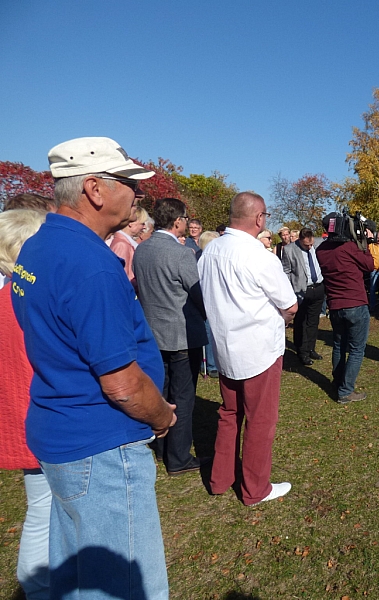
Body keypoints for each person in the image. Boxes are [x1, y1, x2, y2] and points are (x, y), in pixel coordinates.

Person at [11, 136, 175, 599]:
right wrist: (162, 416)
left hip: (61, 433)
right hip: (100, 446)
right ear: (95, 189)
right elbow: (122, 384)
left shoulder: (39, 246)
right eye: (129, 183)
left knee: (77, 576)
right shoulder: (91, 264)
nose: (138, 194)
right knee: (125, 587)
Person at [198, 192, 297, 506]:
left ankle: (220, 479)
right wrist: (283, 318)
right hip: (258, 351)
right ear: (259, 218)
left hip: (226, 347)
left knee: (229, 414)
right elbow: (290, 304)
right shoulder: (259, 256)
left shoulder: (210, 250)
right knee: (260, 420)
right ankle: (255, 489)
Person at [134, 198, 208, 476]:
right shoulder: (180, 253)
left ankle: (161, 446)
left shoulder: (142, 249)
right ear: (178, 221)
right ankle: (178, 458)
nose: (187, 223)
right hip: (181, 335)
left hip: (153, 334)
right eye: (186, 219)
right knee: (184, 397)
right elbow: (198, 293)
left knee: (161, 393)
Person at [0, 208, 50, 600]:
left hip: (23, 416)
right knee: (45, 510)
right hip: (39, 417)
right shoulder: (24, 297)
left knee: (42, 506)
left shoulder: (8, 295)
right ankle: (38, 585)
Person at [316, 213, 375, 403]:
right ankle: (345, 390)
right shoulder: (349, 247)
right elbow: (369, 265)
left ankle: (338, 382)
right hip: (355, 303)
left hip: (335, 305)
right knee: (357, 349)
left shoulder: (321, 250)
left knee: (339, 345)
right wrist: (364, 243)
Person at [282, 228, 325, 365]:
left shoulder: (317, 244)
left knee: (313, 321)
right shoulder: (289, 250)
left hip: (318, 288)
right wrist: (289, 291)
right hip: (301, 290)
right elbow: (286, 272)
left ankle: (311, 348)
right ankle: (302, 351)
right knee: (301, 322)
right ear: (300, 240)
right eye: (306, 245)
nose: (310, 247)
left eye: (311, 244)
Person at [109, 205, 149, 290]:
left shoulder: (125, 243)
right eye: (142, 223)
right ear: (131, 223)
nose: (144, 227)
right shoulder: (122, 245)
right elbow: (121, 279)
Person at [198, 231, 221, 378]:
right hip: (207, 299)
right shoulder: (202, 259)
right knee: (209, 331)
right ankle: (210, 364)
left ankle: (211, 362)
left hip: (215, 298)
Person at [368, 230, 379, 309]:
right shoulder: (371, 246)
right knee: (372, 288)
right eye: (378, 238)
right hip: (374, 270)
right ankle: (372, 305)